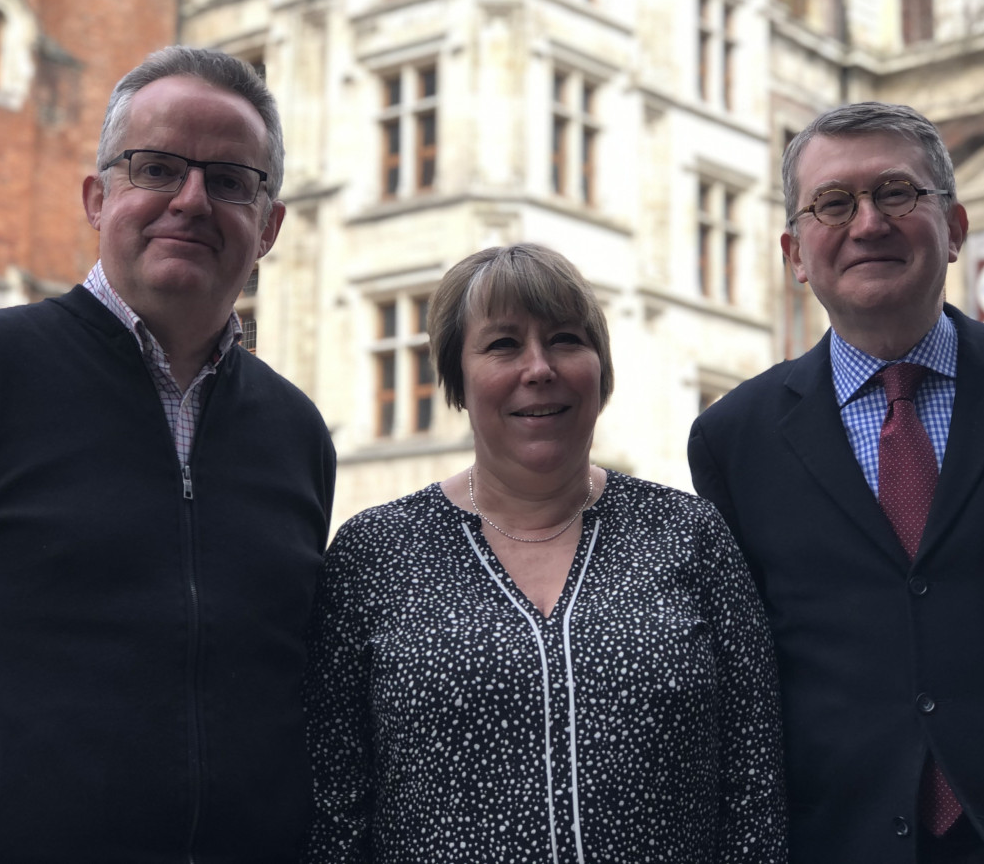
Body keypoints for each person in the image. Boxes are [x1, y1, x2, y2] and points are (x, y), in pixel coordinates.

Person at [0, 47, 336, 863]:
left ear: (269, 227)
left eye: (231, 180)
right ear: (98, 199)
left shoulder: (295, 433)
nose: (192, 200)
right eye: (157, 168)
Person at [688, 101, 984, 864]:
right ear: (794, 252)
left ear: (954, 228)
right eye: (834, 203)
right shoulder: (733, 440)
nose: (868, 222)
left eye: (898, 193)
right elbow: (752, 685)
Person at [306, 243, 786, 863]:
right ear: (456, 376)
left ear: (600, 368)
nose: (538, 368)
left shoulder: (689, 535)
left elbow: (754, 790)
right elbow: (335, 807)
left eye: (564, 339)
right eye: (503, 345)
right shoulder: (376, 552)